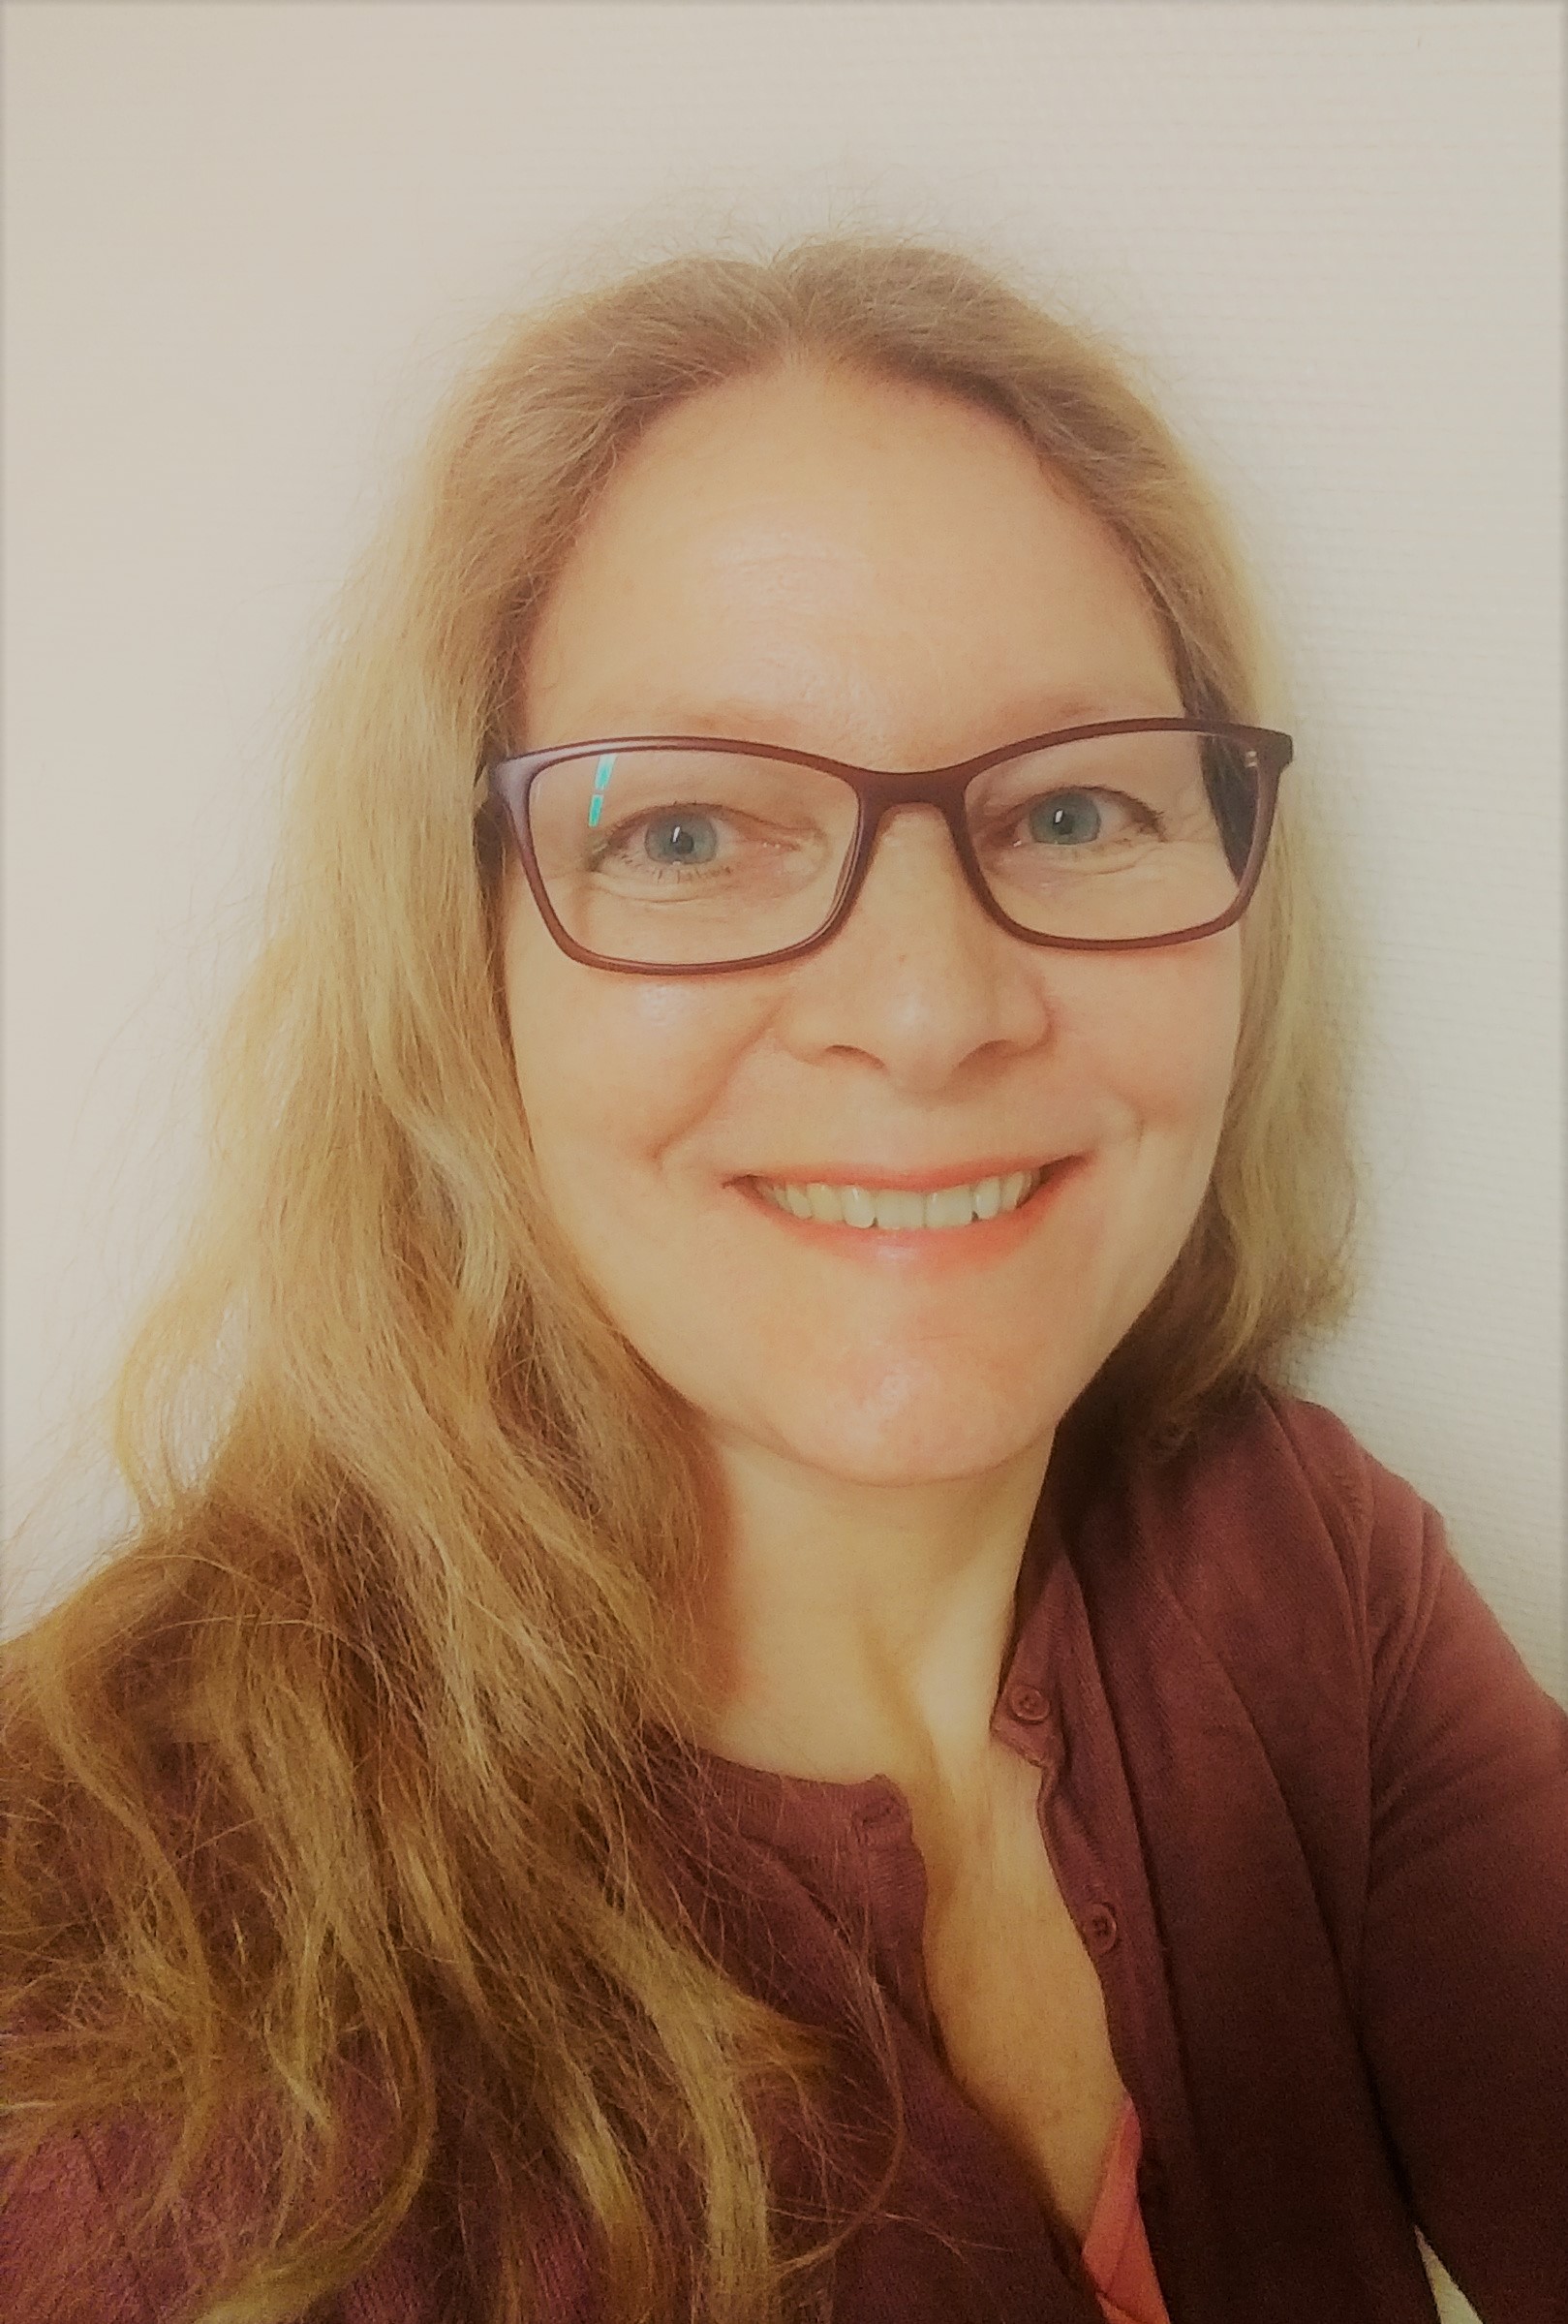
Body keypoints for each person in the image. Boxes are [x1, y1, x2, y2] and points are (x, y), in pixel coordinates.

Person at [2, 231, 1562, 2324]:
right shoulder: (119, 2036)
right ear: (461, 965)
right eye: (685, 836)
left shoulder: (1300, 1568)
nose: (924, 1012)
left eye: (1075, 808)